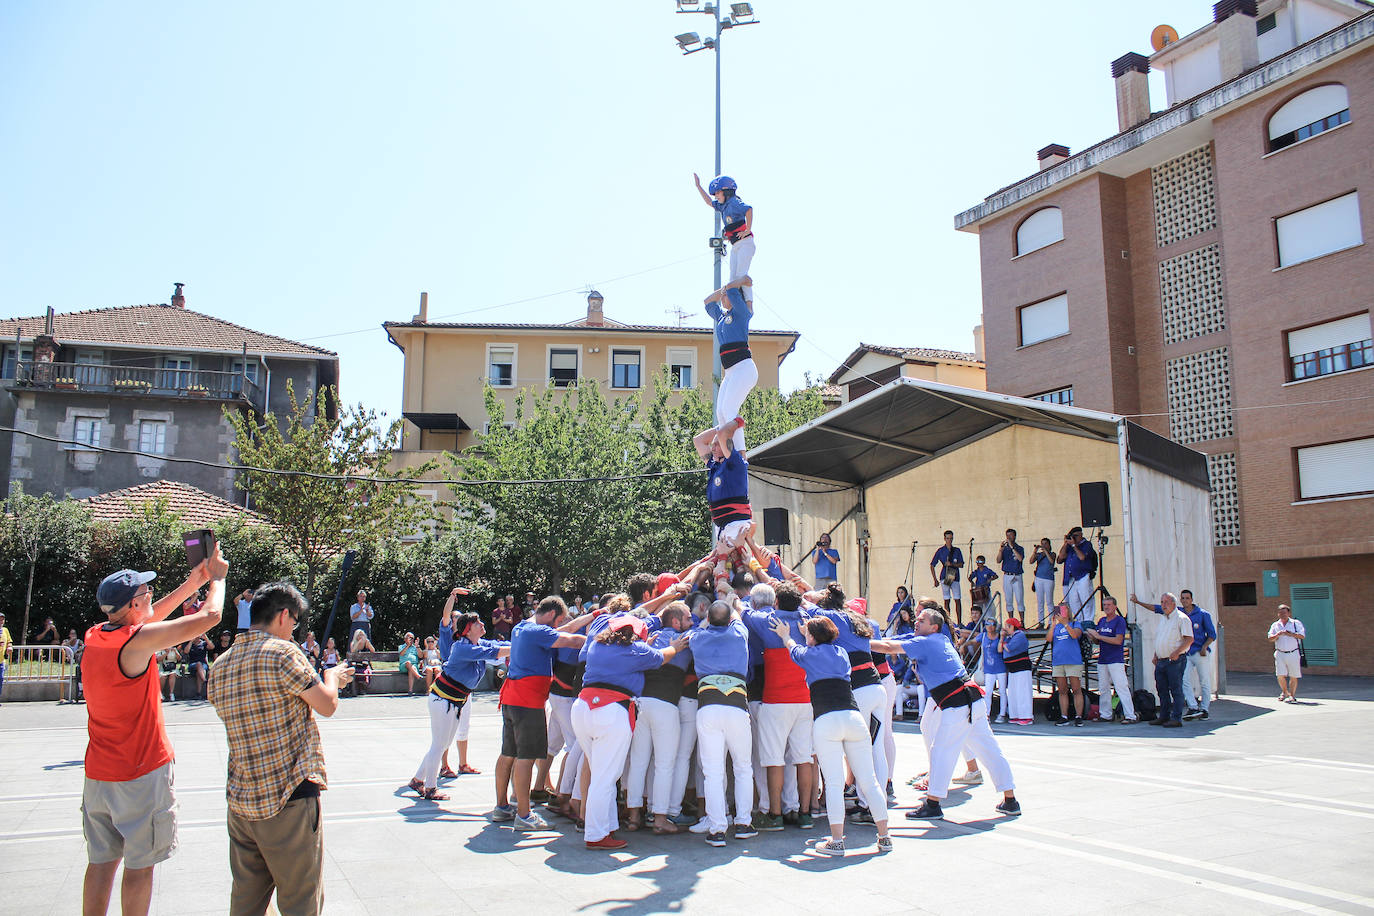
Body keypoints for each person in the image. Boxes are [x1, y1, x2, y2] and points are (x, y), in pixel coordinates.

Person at [81, 547, 227, 916]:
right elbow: (211, 616)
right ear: (132, 604)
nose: (150, 597)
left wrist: (192, 583)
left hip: (99, 773)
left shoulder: (98, 635)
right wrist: (219, 579)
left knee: (101, 862)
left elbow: (149, 621)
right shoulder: (135, 643)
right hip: (139, 773)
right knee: (138, 863)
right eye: (146, 593)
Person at [208, 581, 355, 916]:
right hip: (288, 798)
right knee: (300, 902)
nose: (294, 630)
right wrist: (331, 677)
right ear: (283, 615)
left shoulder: (221, 665)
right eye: (295, 622)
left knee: (246, 903)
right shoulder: (283, 653)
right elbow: (327, 705)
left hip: (242, 801)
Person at [870, 606, 1020, 821]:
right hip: (971, 701)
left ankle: (933, 803)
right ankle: (1010, 799)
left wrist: (854, 643)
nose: (916, 621)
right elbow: (896, 639)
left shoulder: (927, 642)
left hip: (958, 703)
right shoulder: (937, 639)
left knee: (941, 751)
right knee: (990, 750)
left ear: (934, 627)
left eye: (922, 620)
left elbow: (886, 645)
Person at [770, 615, 892, 856]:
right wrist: (810, 633)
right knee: (869, 780)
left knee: (835, 783)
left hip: (827, 720)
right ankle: (885, 836)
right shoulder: (841, 653)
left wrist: (787, 635)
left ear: (813, 637)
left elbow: (794, 649)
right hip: (854, 717)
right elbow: (813, 647)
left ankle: (837, 841)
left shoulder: (808, 655)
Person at [575, 614, 689, 850]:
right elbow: (661, 657)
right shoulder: (636, 650)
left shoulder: (598, 644)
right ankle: (596, 835)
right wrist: (674, 647)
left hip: (584, 706)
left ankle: (606, 826)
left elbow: (625, 657)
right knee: (605, 777)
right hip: (611, 710)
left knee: (600, 771)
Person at [489, 596, 589, 829]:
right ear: (552, 615)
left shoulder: (523, 627)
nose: (558, 626)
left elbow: (568, 628)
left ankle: (502, 806)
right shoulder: (540, 632)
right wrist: (603, 639)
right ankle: (524, 815)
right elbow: (573, 640)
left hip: (512, 699)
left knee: (508, 753)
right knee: (526, 758)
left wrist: (594, 615)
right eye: (558, 621)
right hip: (528, 702)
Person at [410, 605, 508, 803]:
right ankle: (429, 787)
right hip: (442, 700)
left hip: (452, 701)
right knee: (439, 743)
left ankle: (417, 779)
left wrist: (522, 643)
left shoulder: (478, 642)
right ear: (467, 629)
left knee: (442, 743)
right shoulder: (463, 647)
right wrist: (526, 645)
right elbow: (495, 653)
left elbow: (499, 647)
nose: (482, 624)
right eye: (477, 623)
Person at [684, 598, 758, 846]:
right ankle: (744, 823)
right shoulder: (739, 634)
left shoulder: (697, 637)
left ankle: (717, 828)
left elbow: (701, 626)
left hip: (708, 704)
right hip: (737, 704)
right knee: (743, 767)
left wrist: (706, 617)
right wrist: (730, 599)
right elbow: (736, 616)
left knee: (713, 771)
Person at [743, 582, 817, 832]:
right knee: (803, 758)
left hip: (775, 699)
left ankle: (774, 814)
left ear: (775, 603)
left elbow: (742, 611)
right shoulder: (808, 621)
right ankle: (804, 813)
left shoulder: (768, 621)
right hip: (804, 699)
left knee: (774, 759)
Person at [625, 600, 694, 834]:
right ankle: (660, 818)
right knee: (664, 764)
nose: (691, 621)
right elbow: (708, 627)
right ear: (676, 621)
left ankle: (634, 816)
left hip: (641, 704)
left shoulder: (649, 638)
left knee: (639, 762)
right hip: (666, 705)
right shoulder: (685, 640)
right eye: (687, 617)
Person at [695, 278, 758, 458]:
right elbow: (707, 302)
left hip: (743, 368)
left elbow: (732, 290)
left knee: (729, 411)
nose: (722, 298)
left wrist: (734, 286)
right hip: (730, 372)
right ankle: (726, 452)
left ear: (735, 297)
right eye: (722, 296)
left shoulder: (741, 313)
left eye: (725, 296)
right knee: (721, 413)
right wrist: (723, 290)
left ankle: (740, 456)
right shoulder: (722, 317)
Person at [1138, 592, 1193, 727]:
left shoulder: (1182, 618)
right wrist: (1156, 654)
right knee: (1161, 689)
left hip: (1175, 660)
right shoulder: (1163, 619)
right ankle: (1164, 716)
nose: (1164, 605)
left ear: (1174, 604)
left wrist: (1177, 652)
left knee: (1176, 689)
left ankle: (1176, 718)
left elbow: (1189, 639)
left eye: (1167, 602)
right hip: (1161, 660)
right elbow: (1161, 638)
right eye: (1162, 602)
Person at [1085, 596, 1137, 723]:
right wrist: (1092, 636)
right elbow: (1098, 639)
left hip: (1115, 659)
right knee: (1103, 688)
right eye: (1104, 604)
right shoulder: (1102, 621)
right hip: (1103, 659)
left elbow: (1118, 640)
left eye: (1109, 604)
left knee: (1121, 687)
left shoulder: (1119, 621)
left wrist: (1099, 636)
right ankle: (1106, 714)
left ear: (1115, 607)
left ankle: (1130, 715)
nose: (1106, 607)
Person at [1176, 590, 1217, 721]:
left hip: (1200, 652)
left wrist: (1205, 647)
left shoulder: (1203, 614)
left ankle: (1204, 709)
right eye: (1182, 598)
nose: (1185, 600)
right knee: (1183, 679)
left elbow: (1212, 634)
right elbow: (1160, 608)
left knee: (1204, 680)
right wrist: (1138, 602)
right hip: (1186, 652)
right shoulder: (1179, 613)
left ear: (1192, 599)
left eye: (1187, 598)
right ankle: (1193, 706)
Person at [1049, 606, 1087, 726]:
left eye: (1062, 611)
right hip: (1058, 661)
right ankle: (1064, 716)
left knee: (1076, 689)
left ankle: (1078, 716)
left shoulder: (1075, 624)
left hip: (1073, 661)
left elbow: (1075, 635)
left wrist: (1066, 624)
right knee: (1062, 690)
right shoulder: (1056, 627)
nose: (1060, 613)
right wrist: (1053, 625)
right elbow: (1048, 639)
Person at [1057, 528, 1098, 621]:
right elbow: (1061, 557)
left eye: (1076, 536)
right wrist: (1066, 543)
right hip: (1072, 578)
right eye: (1072, 536)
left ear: (1081, 535)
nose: (1074, 538)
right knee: (1073, 601)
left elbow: (1082, 557)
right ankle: (1079, 621)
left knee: (1086, 599)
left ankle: (1088, 621)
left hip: (1083, 576)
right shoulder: (1069, 547)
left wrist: (1074, 545)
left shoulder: (1086, 544)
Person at [1268, 603, 1306, 703]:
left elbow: (1302, 636)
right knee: (1280, 675)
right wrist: (1277, 635)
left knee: (1294, 675)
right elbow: (1270, 638)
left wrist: (1290, 634)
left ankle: (1292, 695)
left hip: (1293, 652)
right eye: (1280, 613)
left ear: (1288, 613)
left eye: (1284, 613)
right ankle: (1284, 692)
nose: (1282, 615)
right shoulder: (1275, 625)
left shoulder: (1295, 623)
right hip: (1280, 653)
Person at [999, 618, 1034, 725]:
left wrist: (1003, 639)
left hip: (1022, 668)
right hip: (1013, 669)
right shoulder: (1009, 637)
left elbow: (1009, 648)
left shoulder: (1019, 635)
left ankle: (1027, 716)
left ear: (1012, 627)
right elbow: (1001, 649)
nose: (1005, 629)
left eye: (1007, 626)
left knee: (1023, 692)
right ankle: (1015, 715)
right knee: (1014, 693)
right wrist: (1002, 638)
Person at [929, 531, 964, 625]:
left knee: (957, 599)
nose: (949, 540)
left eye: (951, 538)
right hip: (945, 576)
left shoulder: (956, 550)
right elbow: (932, 564)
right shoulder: (941, 551)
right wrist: (935, 579)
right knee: (947, 599)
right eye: (948, 538)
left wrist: (952, 564)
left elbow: (961, 564)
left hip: (954, 575)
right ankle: (948, 621)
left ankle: (959, 622)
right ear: (944, 539)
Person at [978, 618, 1008, 724]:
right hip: (989, 668)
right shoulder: (983, 636)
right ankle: (987, 714)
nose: (990, 626)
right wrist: (964, 645)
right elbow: (973, 640)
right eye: (987, 624)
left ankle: (1002, 714)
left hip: (1000, 668)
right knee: (988, 692)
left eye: (992, 624)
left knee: (1003, 691)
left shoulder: (999, 636)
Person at [996, 530, 1026, 619]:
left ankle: (1022, 622)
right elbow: (998, 560)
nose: (1008, 537)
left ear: (1015, 536)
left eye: (1010, 535)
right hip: (1007, 575)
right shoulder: (1004, 549)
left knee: (1020, 599)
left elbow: (1020, 559)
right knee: (1008, 600)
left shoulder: (1019, 548)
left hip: (1017, 575)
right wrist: (1000, 550)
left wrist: (1012, 547)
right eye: (1007, 535)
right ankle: (1011, 620)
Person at [1030, 538, 1056, 626]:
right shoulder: (1039, 555)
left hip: (1048, 579)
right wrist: (1035, 551)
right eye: (1042, 544)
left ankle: (1051, 622)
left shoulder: (1052, 554)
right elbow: (1031, 561)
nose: (1044, 545)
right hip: (1039, 579)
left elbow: (1051, 561)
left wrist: (1046, 551)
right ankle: (1041, 622)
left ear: (1049, 545)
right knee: (1040, 601)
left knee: (1049, 601)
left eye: (1045, 544)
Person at [183, 634, 211, 700]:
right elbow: (186, 651)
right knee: (198, 664)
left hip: (203, 665)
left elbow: (212, 647)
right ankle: (204, 680)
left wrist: (206, 639)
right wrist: (191, 641)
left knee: (199, 672)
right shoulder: (189, 644)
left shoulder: (203, 643)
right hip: (192, 664)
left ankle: (198, 693)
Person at [0, 613, 12, 703]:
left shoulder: (5, 630)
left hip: (1, 661)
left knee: (0, 679)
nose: (1, 621)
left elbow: (9, 641)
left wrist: (9, 646)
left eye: (2, 620)